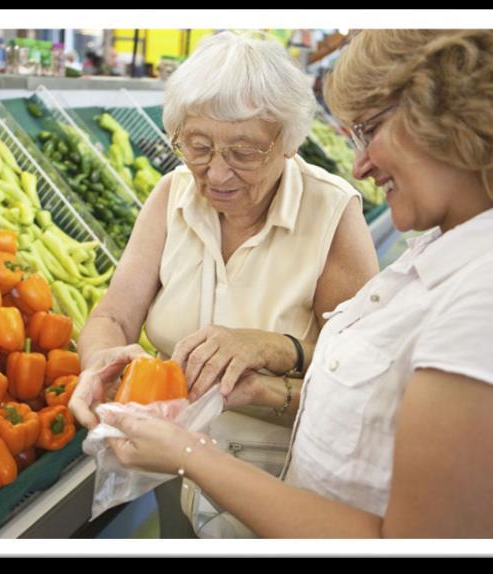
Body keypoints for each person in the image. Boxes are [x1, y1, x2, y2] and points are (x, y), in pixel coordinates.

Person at [99, 29, 493, 538]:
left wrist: (188, 453)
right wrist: (258, 387)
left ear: (455, 119)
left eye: (369, 130)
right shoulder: (447, 255)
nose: (360, 164)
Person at [69, 30, 380, 537]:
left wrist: (272, 354)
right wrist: (101, 361)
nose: (216, 173)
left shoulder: (331, 211)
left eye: (244, 152)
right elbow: (112, 316)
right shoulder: (172, 194)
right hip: (169, 475)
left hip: (282, 490)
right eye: (197, 146)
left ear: (288, 142)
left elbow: (364, 384)